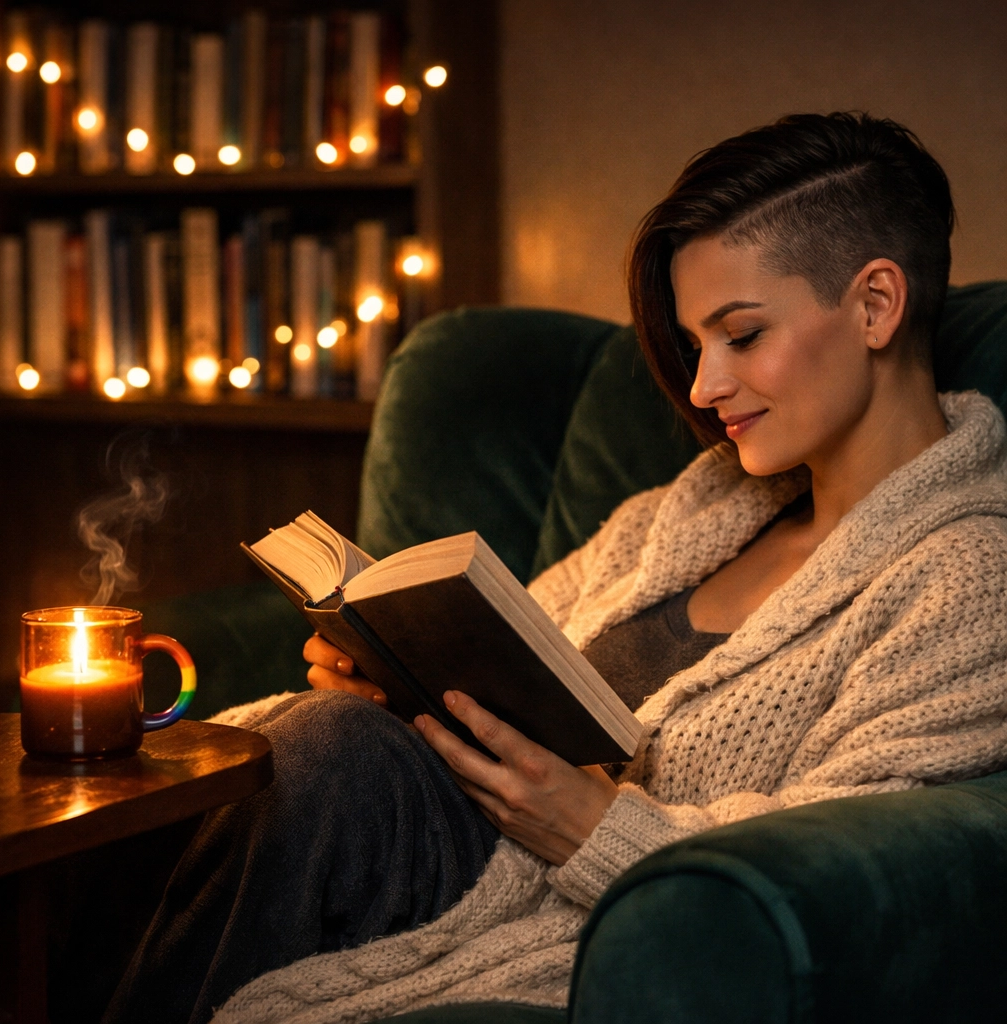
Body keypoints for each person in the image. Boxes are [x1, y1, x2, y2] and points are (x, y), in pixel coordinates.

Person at [105, 112, 1007, 1024]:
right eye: (696, 346)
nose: (702, 388)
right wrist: (392, 674)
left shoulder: (967, 577)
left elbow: (852, 859)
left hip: (542, 911)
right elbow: (508, 643)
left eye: (740, 335)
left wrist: (594, 828)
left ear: (877, 304)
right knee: (195, 793)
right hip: (420, 834)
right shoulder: (673, 518)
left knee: (323, 759)